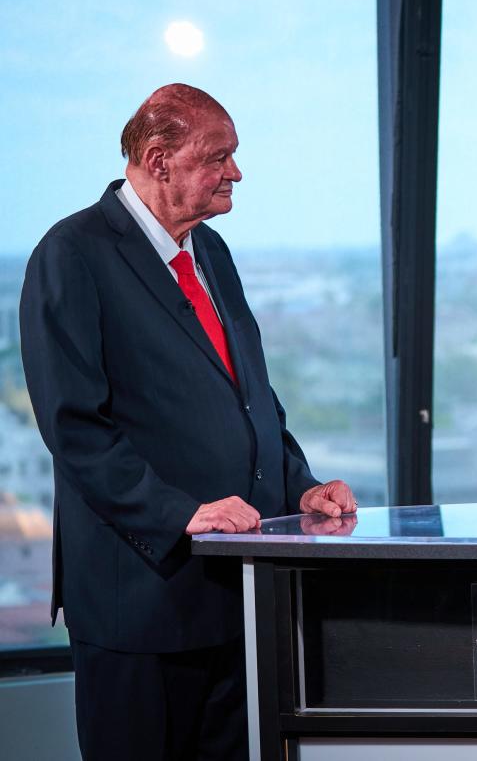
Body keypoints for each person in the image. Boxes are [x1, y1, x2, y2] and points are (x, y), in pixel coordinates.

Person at [20, 83, 358, 761]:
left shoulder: (213, 254)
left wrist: (301, 486)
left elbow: (251, 400)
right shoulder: (73, 254)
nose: (235, 173)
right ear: (158, 158)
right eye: (218, 157)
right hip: (141, 603)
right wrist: (180, 512)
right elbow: (75, 428)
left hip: (234, 599)